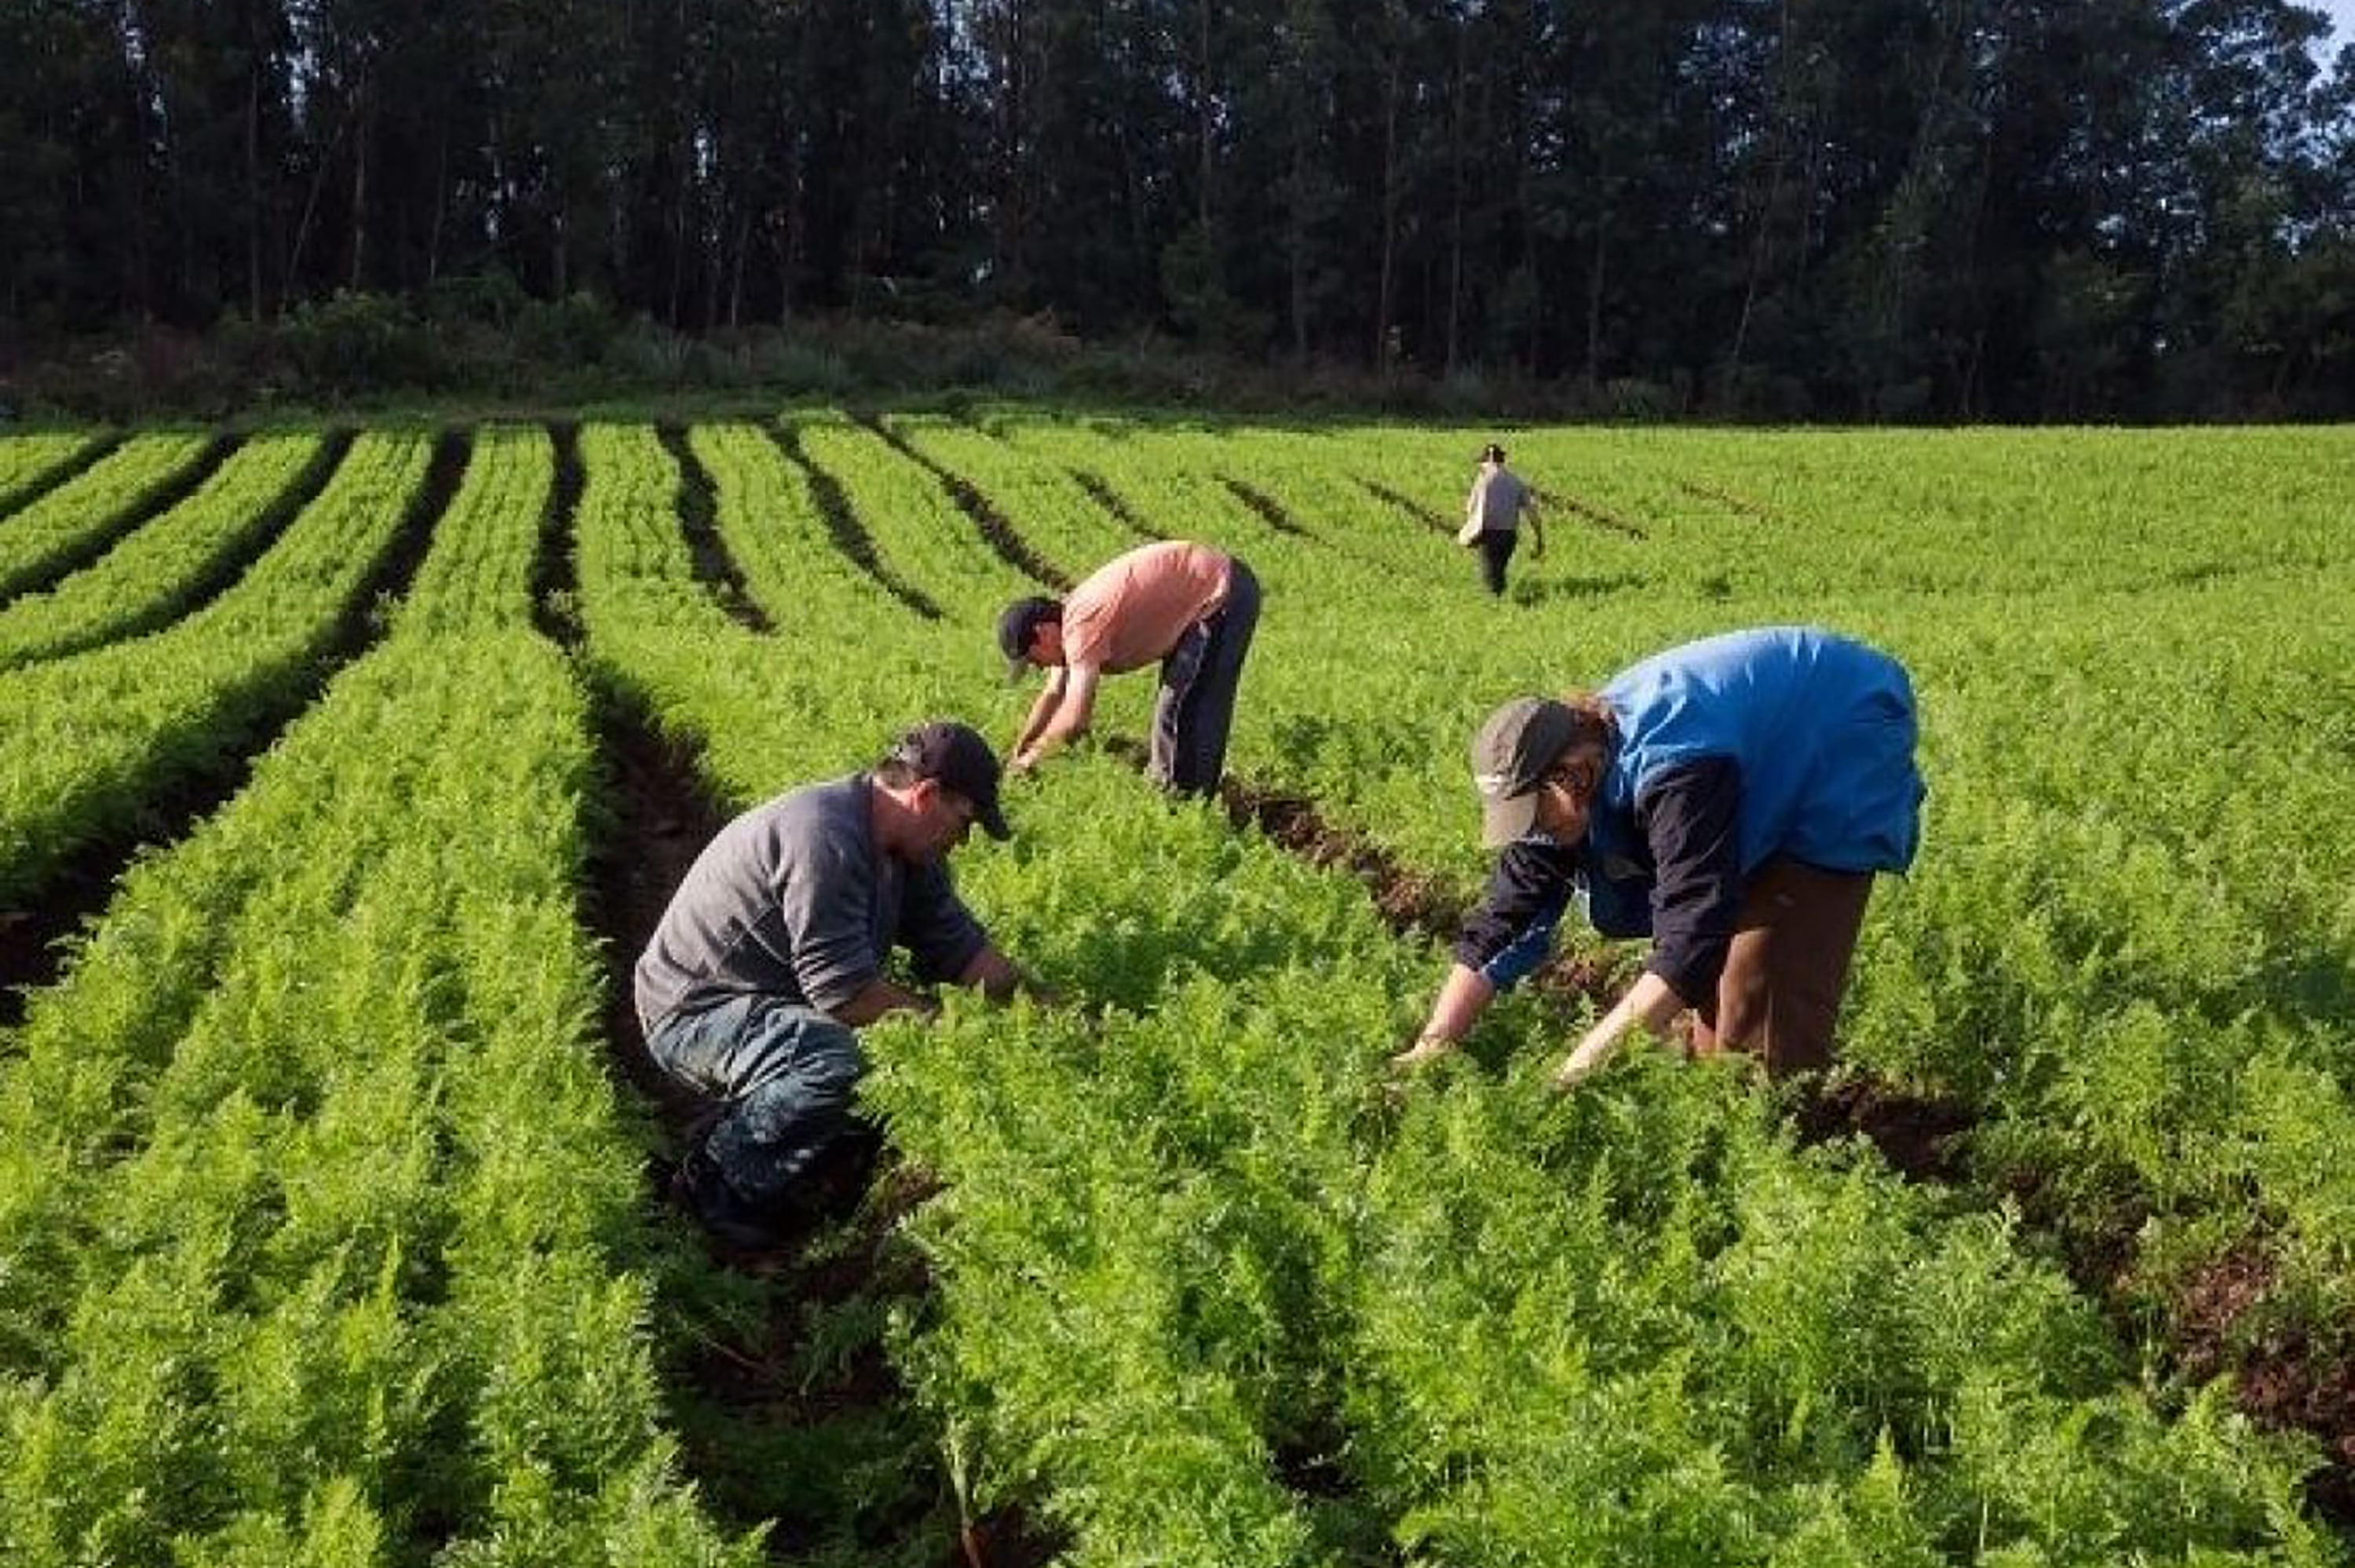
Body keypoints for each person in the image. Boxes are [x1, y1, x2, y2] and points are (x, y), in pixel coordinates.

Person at [1393, 626, 1924, 1088]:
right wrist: (1433, 1044)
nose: (1533, 832)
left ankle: (1769, 1149)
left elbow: (1691, 935)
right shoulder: (1568, 786)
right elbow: (1503, 922)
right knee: (1711, 1012)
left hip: (1837, 732)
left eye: (1534, 815)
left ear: (1571, 774)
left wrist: (1575, 1073)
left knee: (1759, 1003)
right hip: (1754, 749)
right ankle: (1715, 1108)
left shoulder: (1673, 770)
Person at [636, 720, 1030, 1249]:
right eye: (965, 822)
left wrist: (1048, 1010)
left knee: (863, 1067)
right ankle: (713, 1182)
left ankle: (758, 1141)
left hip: (764, 1002)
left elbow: (966, 954)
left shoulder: (910, 856)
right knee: (834, 1059)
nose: (962, 842)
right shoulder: (826, 835)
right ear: (927, 794)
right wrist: (948, 1025)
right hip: (691, 1012)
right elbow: (844, 995)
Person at [998, 539, 1261, 796]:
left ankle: (1185, 804)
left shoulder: (1081, 626)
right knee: (1175, 706)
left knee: (1184, 709)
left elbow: (1076, 720)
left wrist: (1031, 761)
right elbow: (1054, 694)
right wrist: (1020, 750)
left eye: (1034, 660)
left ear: (1042, 632)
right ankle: (1173, 794)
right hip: (1206, 589)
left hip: (1222, 594)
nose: (1040, 667)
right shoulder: (1066, 624)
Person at [1463, 442, 1543, 596]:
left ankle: (1497, 606)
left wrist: (1470, 532)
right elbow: (1532, 512)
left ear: (1487, 462)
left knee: (1490, 576)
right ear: (1502, 461)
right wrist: (1539, 537)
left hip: (1488, 533)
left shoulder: (1482, 480)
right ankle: (1504, 600)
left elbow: (1470, 508)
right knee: (1499, 570)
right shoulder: (1516, 482)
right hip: (1509, 536)